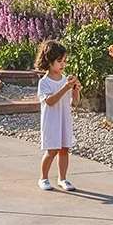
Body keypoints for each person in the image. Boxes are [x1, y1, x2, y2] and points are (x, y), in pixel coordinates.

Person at [35, 40, 79, 192]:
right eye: (59, 61)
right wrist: (66, 87)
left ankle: (63, 178)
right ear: (49, 62)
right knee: (52, 150)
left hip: (65, 118)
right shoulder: (44, 82)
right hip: (51, 120)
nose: (62, 65)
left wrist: (75, 89)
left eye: (64, 61)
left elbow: (75, 101)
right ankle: (44, 178)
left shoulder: (65, 79)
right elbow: (50, 101)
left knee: (64, 149)